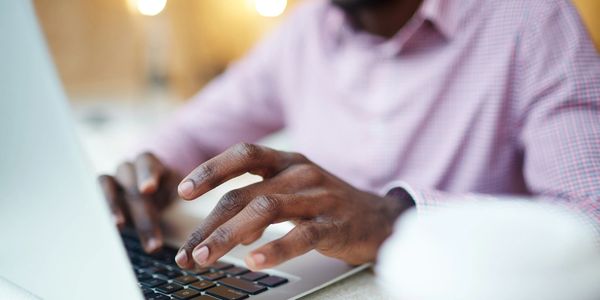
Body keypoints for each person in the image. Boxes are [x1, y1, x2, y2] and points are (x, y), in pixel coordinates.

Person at [99, 0, 600, 272]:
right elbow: (190, 131)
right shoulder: (306, 28)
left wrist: (394, 218)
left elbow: (590, 218)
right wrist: (149, 172)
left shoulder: (533, 20)